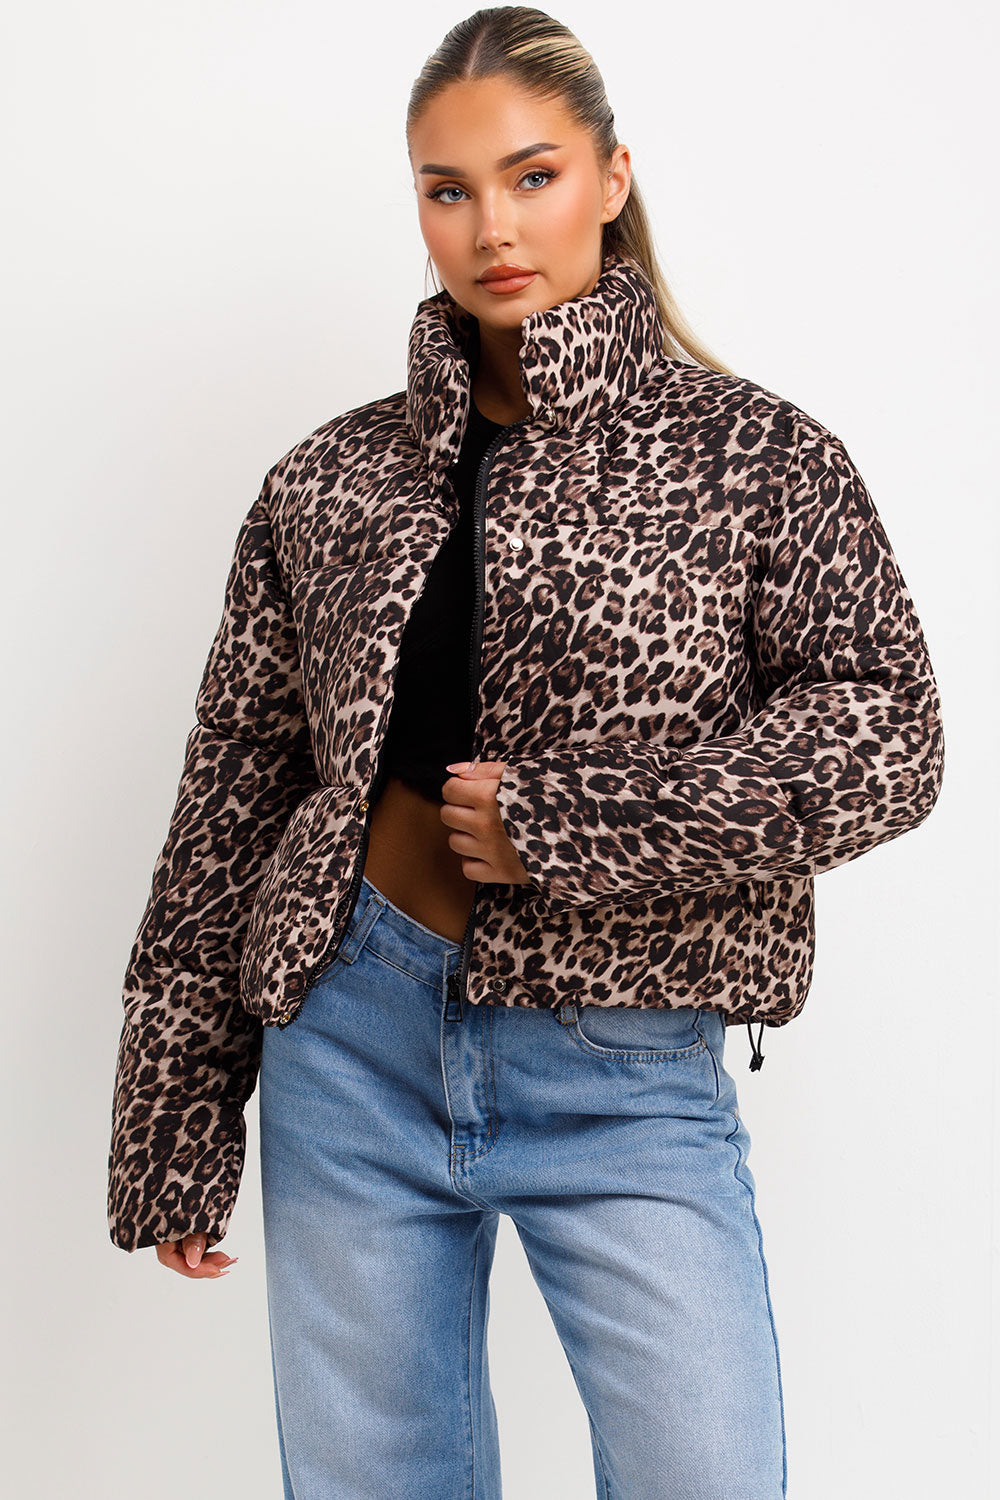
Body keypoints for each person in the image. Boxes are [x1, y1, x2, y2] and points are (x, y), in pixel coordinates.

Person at [107, 7, 946, 1497]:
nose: (492, 227)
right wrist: (178, 1113)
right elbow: (233, 793)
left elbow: (889, 729)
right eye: (449, 189)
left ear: (612, 178)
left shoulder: (757, 458)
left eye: (533, 175)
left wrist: (576, 824)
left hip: (622, 1056)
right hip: (349, 1041)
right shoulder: (328, 479)